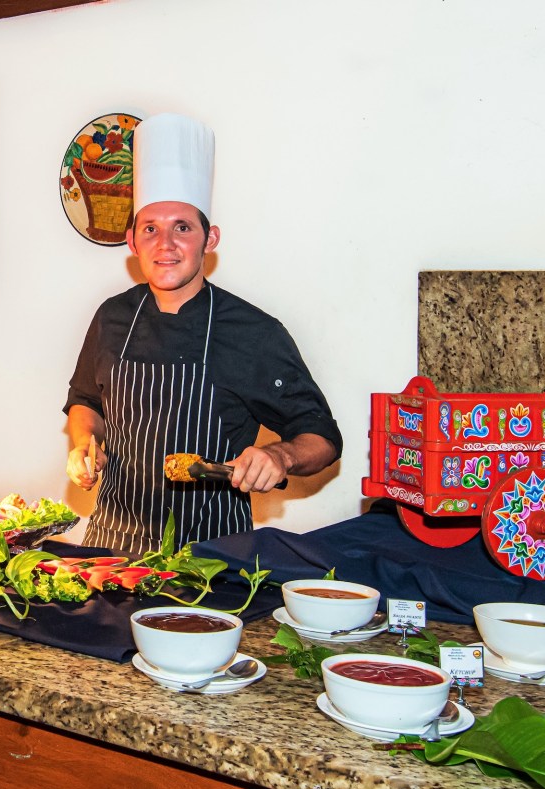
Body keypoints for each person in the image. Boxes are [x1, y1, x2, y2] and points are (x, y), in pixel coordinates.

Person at [64, 112, 342, 554]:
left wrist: (279, 455)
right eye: (150, 229)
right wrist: (84, 442)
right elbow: (85, 401)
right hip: (112, 551)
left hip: (213, 557)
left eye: (182, 228)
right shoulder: (111, 317)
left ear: (209, 239)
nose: (165, 244)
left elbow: (323, 438)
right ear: (132, 242)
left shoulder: (254, 332)